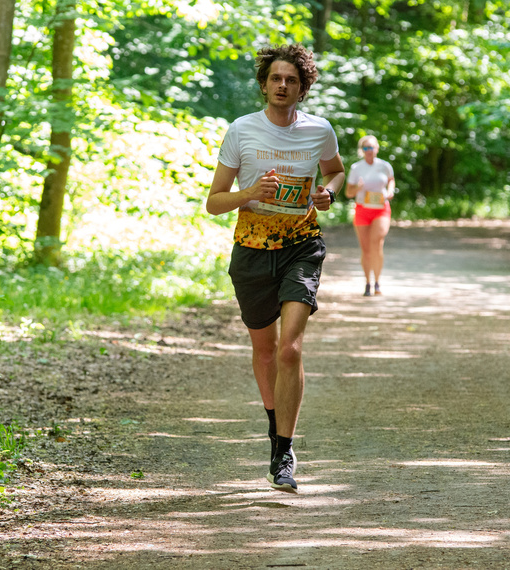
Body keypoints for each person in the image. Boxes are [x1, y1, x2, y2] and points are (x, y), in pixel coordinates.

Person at [205, 44, 345, 494]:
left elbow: (336, 172)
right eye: (275, 79)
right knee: (265, 350)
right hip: (251, 248)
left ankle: (284, 452)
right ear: (264, 84)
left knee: (290, 350)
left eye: (292, 80)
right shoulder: (241, 131)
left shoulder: (320, 131)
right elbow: (213, 203)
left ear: (303, 88)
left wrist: (329, 193)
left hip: (302, 246)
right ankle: (274, 431)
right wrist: (249, 193)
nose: (283, 86)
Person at [344, 135, 395, 296]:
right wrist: (357, 189)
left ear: (377, 149)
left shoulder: (384, 166)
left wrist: (390, 190)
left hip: (381, 208)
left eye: (371, 147)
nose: (369, 150)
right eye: (365, 148)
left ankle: (378, 282)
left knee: (377, 242)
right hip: (362, 208)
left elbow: (391, 180)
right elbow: (348, 192)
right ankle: (368, 283)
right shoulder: (356, 168)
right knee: (366, 249)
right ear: (362, 150)